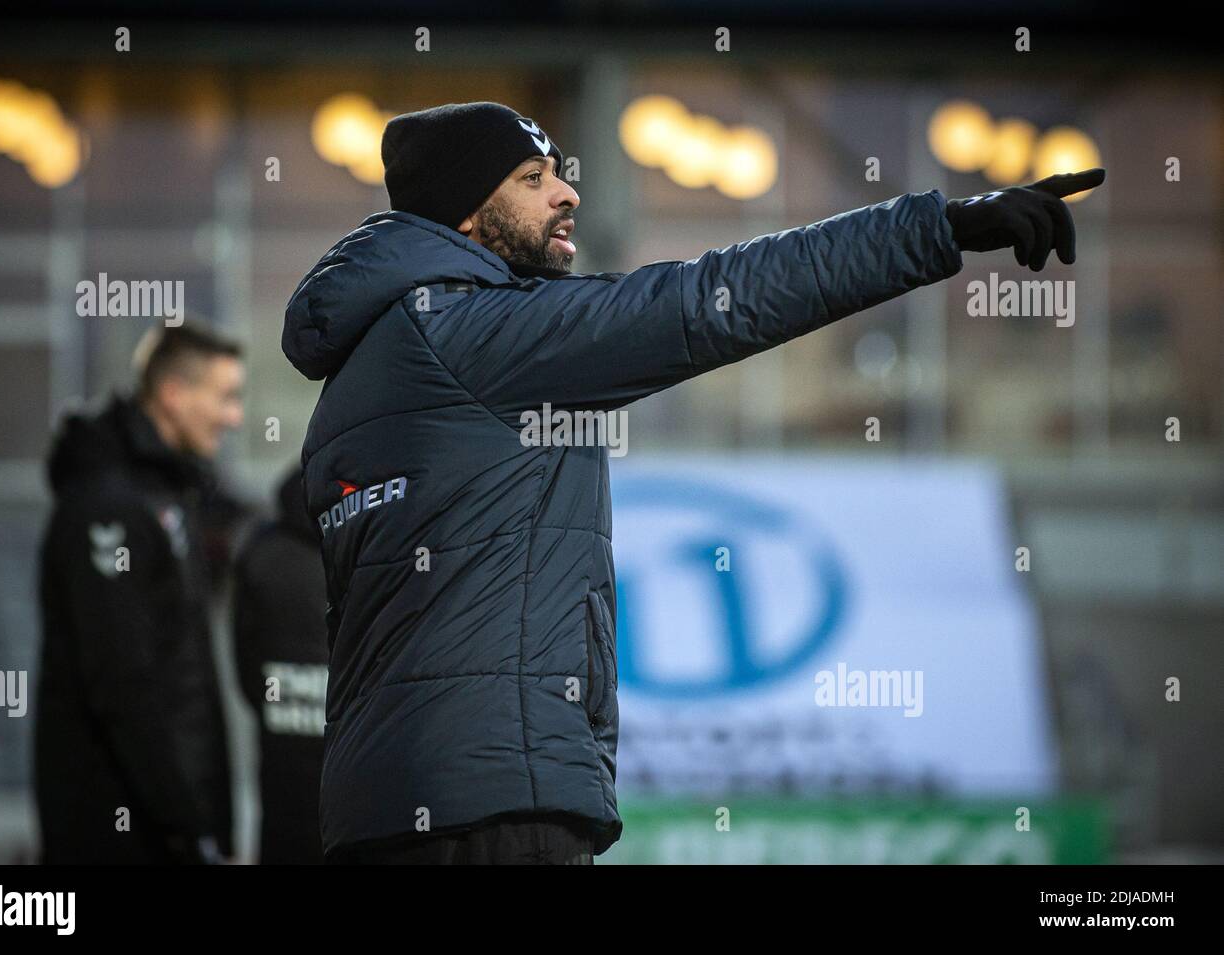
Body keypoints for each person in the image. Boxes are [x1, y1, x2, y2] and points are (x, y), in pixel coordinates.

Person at [281, 101, 1105, 864]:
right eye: (532, 182)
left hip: (383, 805)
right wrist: (942, 227)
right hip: (494, 799)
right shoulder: (478, 336)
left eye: (561, 171)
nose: (565, 194)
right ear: (465, 214)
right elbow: (713, 300)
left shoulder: (366, 367)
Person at [34, 321, 245, 864]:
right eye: (225, 397)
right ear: (173, 394)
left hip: (165, 825)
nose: (235, 416)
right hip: (122, 833)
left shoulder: (171, 492)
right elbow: (122, 683)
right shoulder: (109, 505)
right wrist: (186, 823)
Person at [232, 467, 329, 864]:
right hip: (351, 772)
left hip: (280, 759)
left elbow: (245, 662)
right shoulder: (360, 547)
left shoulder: (261, 551)